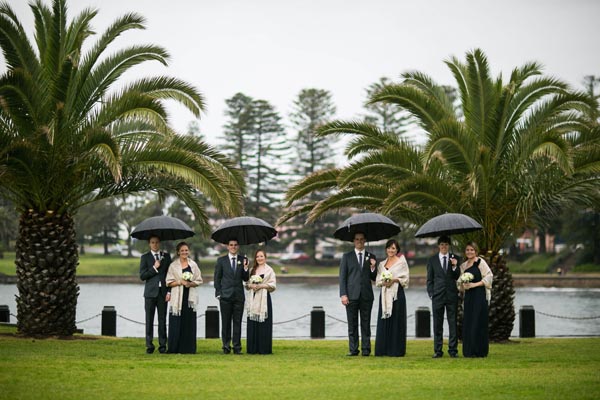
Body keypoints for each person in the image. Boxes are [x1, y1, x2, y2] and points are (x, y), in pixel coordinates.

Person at [339, 232, 377, 356]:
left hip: (366, 296)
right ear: (354, 241)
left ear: (365, 240)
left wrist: (373, 267)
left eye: (361, 239)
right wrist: (343, 294)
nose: (359, 241)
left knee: (366, 324)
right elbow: (342, 278)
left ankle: (366, 350)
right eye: (357, 239)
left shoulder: (371, 256)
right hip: (351, 296)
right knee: (352, 324)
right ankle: (353, 349)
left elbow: (374, 277)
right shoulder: (347, 256)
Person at [426, 235, 461, 358]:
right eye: (442, 244)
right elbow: (429, 280)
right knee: (437, 324)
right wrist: (431, 293)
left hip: (452, 295)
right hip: (437, 296)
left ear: (449, 246)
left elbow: (458, 276)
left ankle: (453, 350)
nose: (444, 247)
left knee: (452, 323)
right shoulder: (432, 260)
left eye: (446, 244)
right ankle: (438, 350)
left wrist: (455, 266)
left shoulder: (455, 258)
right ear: (438, 246)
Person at [165, 242, 203, 354]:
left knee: (188, 323)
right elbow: (168, 282)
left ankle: (188, 348)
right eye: (182, 250)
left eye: (186, 250)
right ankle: (174, 348)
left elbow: (199, 280)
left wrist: (190, 284)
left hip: (189, 298)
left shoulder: (193, 265)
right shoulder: (173, 266)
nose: (184, 252)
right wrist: (179, 282)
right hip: (177, 298)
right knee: (176, 323)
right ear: (178, 252)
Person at [214, 239, 249, 354]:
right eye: (231, 245)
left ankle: (237, 347)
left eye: (235, 245)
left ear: (238, 246)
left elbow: (245, 278)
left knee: (237, 322)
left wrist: (245, 268)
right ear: (227, 247)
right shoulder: (221, 261)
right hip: (225, 296)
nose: (233, 247)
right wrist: (218, 293)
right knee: (225, 322)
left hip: (239, 296)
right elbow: (217, 278)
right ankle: (226, 346)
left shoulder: (243, 260)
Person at [374, 239, 409, 357]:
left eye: (393, 248)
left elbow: (405, 279)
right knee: (384, 321)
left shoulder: (402, 262)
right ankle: (382, 349)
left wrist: (393, 280)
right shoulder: (381, 264)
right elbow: (377, 280)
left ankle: (395, 350)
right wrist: (384, 282)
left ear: (397, 250)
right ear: (386, 249)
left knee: (396, 321)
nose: (391, 250)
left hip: (396, 295)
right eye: (389, 248)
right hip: (384, 296)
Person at [458, 241, 493, 357]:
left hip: (479, 296)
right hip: (468, 298)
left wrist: (475, 284)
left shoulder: (480, 262)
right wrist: (464, 285)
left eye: (472, 250)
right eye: (467, 250)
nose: (469, 252)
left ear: (476, 251)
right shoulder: (463, 266)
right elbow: (459, 284)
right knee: (469, 321)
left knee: (478, 321)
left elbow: (489, 277)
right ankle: (469, 351)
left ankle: (480, 351)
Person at [139, 235, 171, 354]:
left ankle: (162, 345)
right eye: (152, 242)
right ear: (149, 244)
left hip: (163, 293)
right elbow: (142, 276)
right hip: (150, 294)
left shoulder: (166, 257)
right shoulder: (145, 257)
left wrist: (169, 291)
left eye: (157, 242)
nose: (155, 244)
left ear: (159, 243)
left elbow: (170, 275)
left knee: (162, 320)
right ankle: (149, 345)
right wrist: (154, 268)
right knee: (149, 320)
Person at [245, 249, 277, 354]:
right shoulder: (251, 270)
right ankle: (252, 349)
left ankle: (264, 349)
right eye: (257, 256)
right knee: (252, 323)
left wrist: (261, 286)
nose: (259, 258)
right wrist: (251, 286)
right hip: (253, 299)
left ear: (265, 257)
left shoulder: (270, 270)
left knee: (264, 324)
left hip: (264, 299)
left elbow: (273, 286)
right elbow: (246, 284)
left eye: (261, 256)